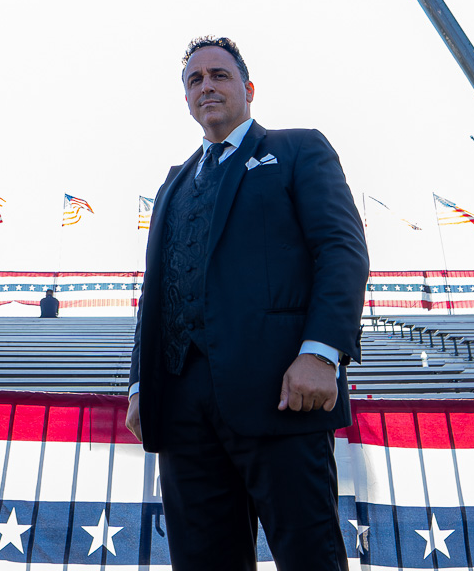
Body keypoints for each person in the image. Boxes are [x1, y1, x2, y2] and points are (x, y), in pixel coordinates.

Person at [127, 36, 369, 570]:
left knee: (309, 558)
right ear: (186, 100)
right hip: (183, 408)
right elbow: (156, 290)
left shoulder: (297, 149)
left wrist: (321, 353)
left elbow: (341, 249)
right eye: (195, 80)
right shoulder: (173, 183)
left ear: (248, 88)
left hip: (281, 393)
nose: (206, 86)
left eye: (219, 75)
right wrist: (141, 385)